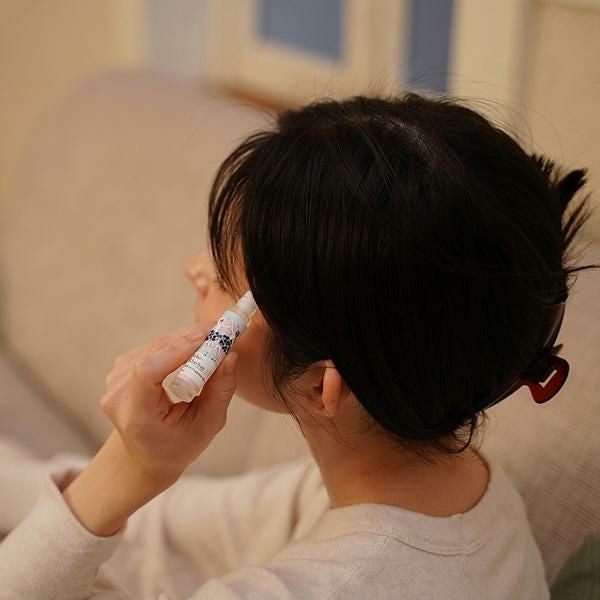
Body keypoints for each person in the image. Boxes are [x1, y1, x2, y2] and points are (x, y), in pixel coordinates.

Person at [0, 91, 598, 599]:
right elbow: (168, 533)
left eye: (225, 279)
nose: (193, 268)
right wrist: (128, 470)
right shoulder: (466, 494)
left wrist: (127, 467)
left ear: (320, 386)